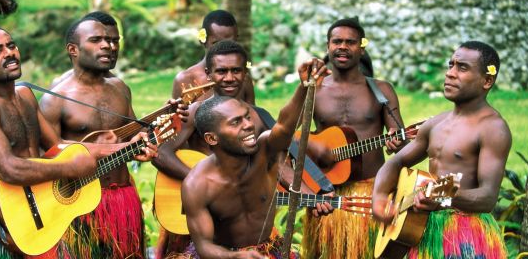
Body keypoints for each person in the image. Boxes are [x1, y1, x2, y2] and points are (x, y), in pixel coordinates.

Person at [0, 25, 156, 259]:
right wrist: (70, 168)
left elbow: (60, 146)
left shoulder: (25, 95)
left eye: (11, 45)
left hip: (44, 208)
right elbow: (10, 168)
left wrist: (124, 148)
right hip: (9, 218)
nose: (9, 53)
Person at [39, 13, 184, 259]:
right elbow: (47, 156)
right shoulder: (55, 98)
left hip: (123, 196)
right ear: (73, 49)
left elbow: (136, 134)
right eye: (97, 40)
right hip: (79, 205)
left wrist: (162, 124)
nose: (109, 46)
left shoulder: (120, 89)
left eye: (114, 40)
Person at [180, 56, 333, 259]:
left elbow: (285, 127)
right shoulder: (196, 185)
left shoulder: (265, 151)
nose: (249, 125)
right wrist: (235, 257)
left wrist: (304, 87)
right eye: (236, 122)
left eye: (247, 116)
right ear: (212, 138)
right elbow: (204, 246)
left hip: (268, 250)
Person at [372, 41, 510, 259]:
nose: (450, 74)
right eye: (451, 65)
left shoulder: (493, 128)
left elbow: (487, 197)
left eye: (462, 68)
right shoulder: (435, 124)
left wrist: (442, 198)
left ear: (487, 80)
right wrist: (379, 198)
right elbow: (395, 162)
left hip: (466, 234)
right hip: (424, 229)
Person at [301, 17, 408, 259]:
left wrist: (397, 142)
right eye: (337, 41)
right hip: (327, 194)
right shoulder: (313, 90)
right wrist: (313, 182)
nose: (343, 46)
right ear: (328, 45)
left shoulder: (382, 90)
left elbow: (402, 140)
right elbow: (289, 139)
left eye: (351, 42)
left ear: (362, 47)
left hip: (373, 190)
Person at [171, 9, 254, 104]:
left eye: (230, 43)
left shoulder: (243, 79)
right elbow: (177, 116)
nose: (223, 48)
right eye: (216, 43)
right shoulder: (185, 80)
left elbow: (253, 115)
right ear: (202, 40)